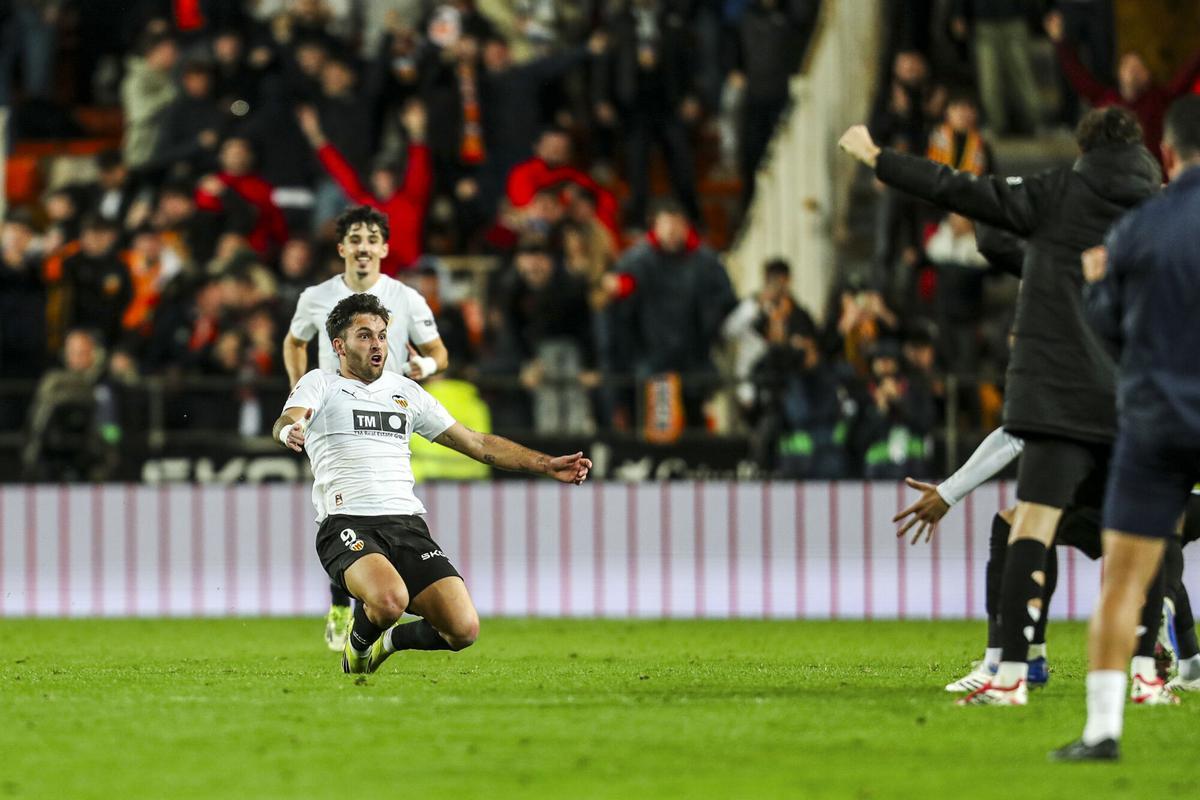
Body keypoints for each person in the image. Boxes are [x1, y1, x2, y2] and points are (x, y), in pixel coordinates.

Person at [839, 106, 1161, 706]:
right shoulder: (1164, 212)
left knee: (1028, 527)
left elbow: (959, 190)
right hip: (1139, 403)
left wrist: (879, 158)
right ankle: (1153, 672)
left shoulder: (1058, 195)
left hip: (1061, 399)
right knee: (1147, 534)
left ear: (1082, 147)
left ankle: (1011, 674)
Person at [273, 292, 591, 674]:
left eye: (381, 334)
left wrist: (545, 464)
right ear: (339, 346)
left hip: (407, 525)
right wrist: (290, 430)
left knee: (463, 630)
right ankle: (356, 651)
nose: (377, 344)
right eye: (364, 335)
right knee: (389, 601)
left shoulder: (405, 392)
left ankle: (388, 642)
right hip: (346, 522)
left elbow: (475, 442)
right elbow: (287, 418)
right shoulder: (321, 384)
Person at [1053, 96, 1200, 761]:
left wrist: (1092, 287)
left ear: (1169, 152)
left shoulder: (1139, 229)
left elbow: (1110, 329)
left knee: (1124, 581)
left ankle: (1103, 730)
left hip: (1154, 420)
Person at [283, 205, 449, 651]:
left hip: (388, 415)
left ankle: (365, 604)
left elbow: (439, 353)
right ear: (342, 248)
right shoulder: (316, 297)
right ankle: (347, 603)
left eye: (371, 239)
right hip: (333, 416)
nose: (363, 247)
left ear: (384, 248)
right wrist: (300, 394)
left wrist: (424, 363)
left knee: (382, 505)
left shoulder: (407, 299)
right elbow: (295, 341)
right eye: (355, 239)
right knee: (345, 504)